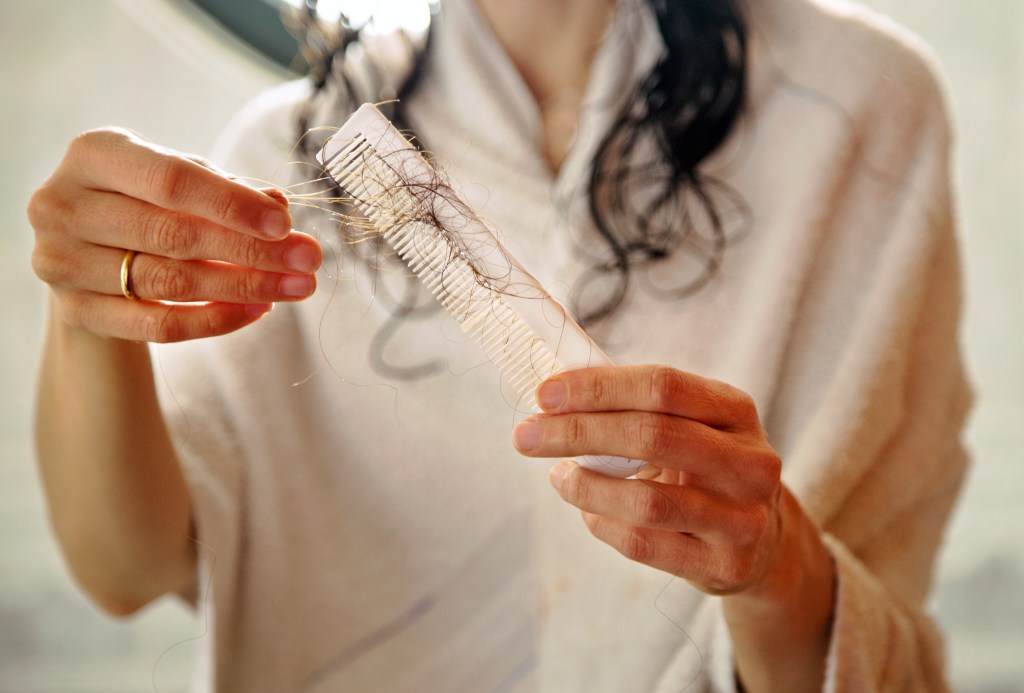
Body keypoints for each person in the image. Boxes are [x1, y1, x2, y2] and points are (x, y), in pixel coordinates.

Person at [28, 0, 971, 690]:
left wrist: (778, 564)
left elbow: (882, 646)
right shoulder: (285, 148)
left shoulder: (859, 109)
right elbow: (128, 568)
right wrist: (87, 312)